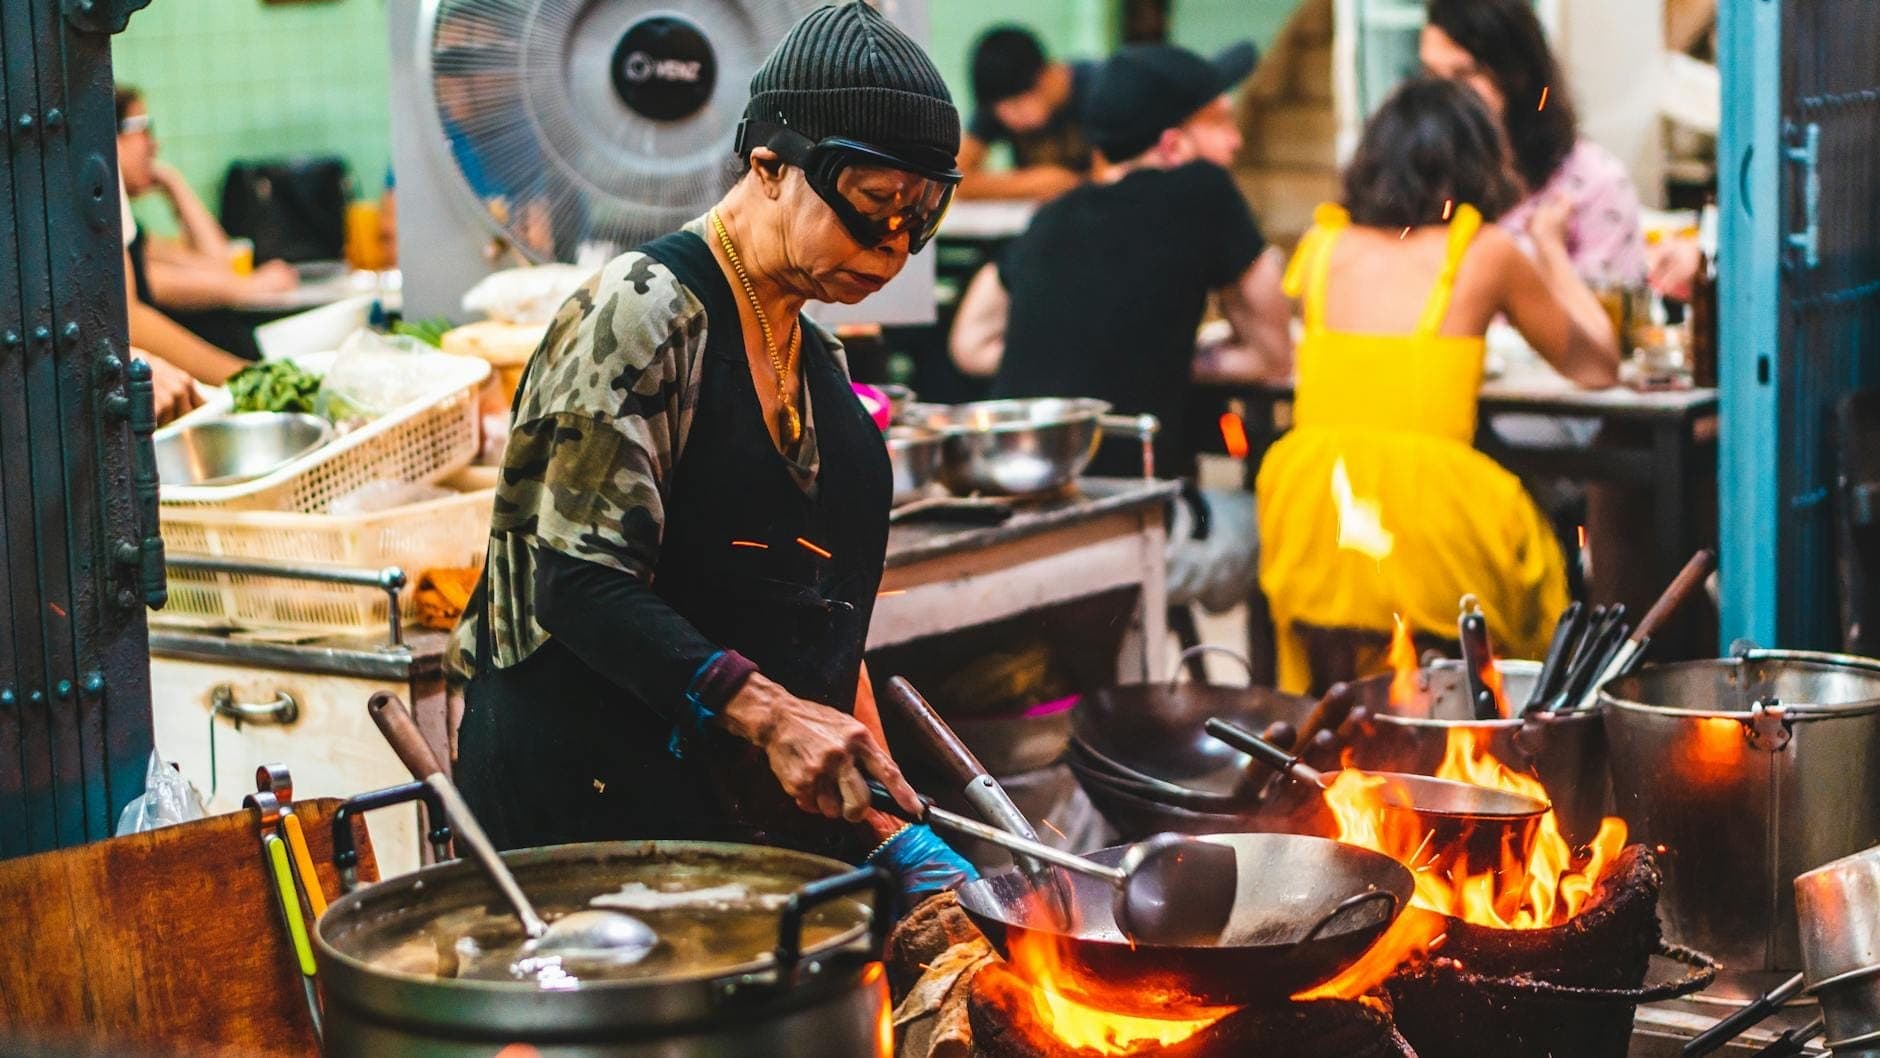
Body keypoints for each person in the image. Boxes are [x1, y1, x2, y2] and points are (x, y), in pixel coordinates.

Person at [450, 1, 975, 906]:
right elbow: (577, 582)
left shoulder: (824, 370)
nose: (893, 243)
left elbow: (820, 630)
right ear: (768, 165)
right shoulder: (642, 309)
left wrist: (890, 822)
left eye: (920, 215)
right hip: (587, 837)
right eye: (875, 203)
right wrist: (771, 720)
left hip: (727, 846)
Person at [1256, 78, 1620, 695]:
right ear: (1476, 163)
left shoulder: (1320, 246)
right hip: (1433, 531)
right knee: (1548, 549)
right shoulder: (1485, 250)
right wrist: (1551, 250)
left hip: (1317, 521)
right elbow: (1597, 366)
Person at [949, 41, 1290, 613]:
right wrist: (1165, 351)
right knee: (1282, 527)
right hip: (1125, 529)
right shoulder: (1204, 192)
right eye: (1220, 123)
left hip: (1016, 532)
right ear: (1172, 143)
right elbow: (1273, 358)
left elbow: (972, 344)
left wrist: (1089, 342)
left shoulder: (1052, 216)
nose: (1236, 141)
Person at [1420, 0, 1646, 286]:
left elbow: (1611, 321)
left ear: (1517, 75)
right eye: (1430, 75)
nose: (1442, 96)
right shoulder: (1425, 176)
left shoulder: (1596, 183)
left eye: (1464, 75)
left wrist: (1550, 250)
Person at [116, 87, 300, 311]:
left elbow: (220, 265)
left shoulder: (131, 230)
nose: (155, 145)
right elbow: (150, 283)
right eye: (144, 129)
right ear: (108, 138)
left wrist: (175, 186)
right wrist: (252, 285)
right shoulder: (104, 236)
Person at [956, 26, 1097, 201]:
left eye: (1017, 106)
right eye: (1001, 111)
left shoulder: (1096, 88)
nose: (1010, 118)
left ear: (1046, 76)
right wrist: (1041, 181)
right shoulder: (998, 98)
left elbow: (1112, 177)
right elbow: (957, 179)